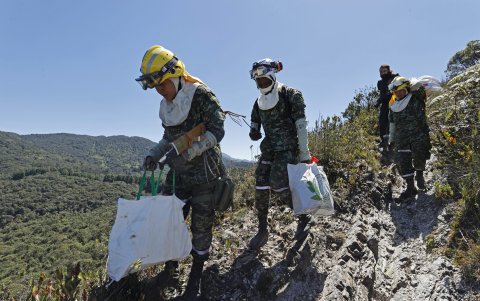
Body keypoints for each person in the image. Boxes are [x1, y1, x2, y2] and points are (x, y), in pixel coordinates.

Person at [136, 45, 226, 299]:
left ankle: (194, 280)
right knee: (170, 223)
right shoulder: (166, 106)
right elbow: (168, 137)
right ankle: (170, 270)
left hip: (204, 176)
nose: (159, 91)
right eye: (155, 86)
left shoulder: (201, 95)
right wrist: (154, 154)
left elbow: (217, 130)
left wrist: (193, 150)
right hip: (177, 176)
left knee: (201, 227)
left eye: (162, 84)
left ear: (175, 74)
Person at [247, 58, 312, 250]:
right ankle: (262, 229)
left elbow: (301, 126)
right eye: (258, 82)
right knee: (260, 183)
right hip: (269, 149)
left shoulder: (290, 95)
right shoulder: (259, 102)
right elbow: (254, 123)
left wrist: (304, 153)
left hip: (288, 148)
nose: (262, 84)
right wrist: (254, 132)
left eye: (265, 80)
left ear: (273, 77)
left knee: (278, 183)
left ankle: (303, 216)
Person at [388, 76, 431, 200]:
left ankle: (420, 174)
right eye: (396, 92)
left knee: (419, 157)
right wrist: (391, 139)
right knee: (403, 162)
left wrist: (424, 134)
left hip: (417, 136)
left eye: (401, 90)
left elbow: (422, 119)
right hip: (401, 139)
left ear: (406, 89)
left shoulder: (414, 100)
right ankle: (411, 187)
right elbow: (392, 124)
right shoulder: (393, 106)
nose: (399, 93)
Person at [375, 65, 399, 154]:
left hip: (394, 102)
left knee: (391, 121)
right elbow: (382, 95)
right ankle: (383, 141)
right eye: (381, 71)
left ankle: (392, 141)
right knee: (382, 121)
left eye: (384, 71)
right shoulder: (380, 83)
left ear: (389, 70)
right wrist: (378, 102)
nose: (383, 73)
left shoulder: (395, 78)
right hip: (385, 103)